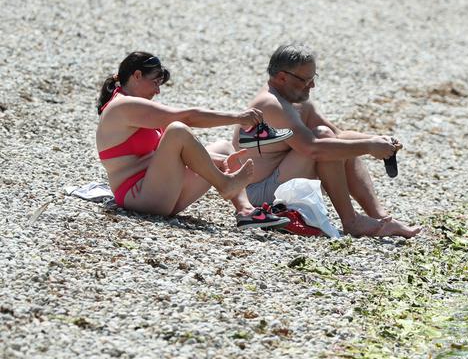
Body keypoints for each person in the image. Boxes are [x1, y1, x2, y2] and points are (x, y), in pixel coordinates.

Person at [231, 44, 421, 238]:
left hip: (280, 177)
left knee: (338, 144)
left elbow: (338, 135)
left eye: (314, 78)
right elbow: (314, 150)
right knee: (327, 142)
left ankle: (382, 219)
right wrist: (369, 147)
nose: (312, 85)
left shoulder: (295, 99)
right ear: (282, 77)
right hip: (256, 194)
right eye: (306, 80)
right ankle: (351, 221)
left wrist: (376, 140)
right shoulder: (271, 104)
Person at [96, 51, 289, 228]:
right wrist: (238, 117)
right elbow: (187, 117)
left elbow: (178, 154)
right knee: (178, 130)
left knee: (223, 147)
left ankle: (246, 211)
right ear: (136, 75)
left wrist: (220, 162)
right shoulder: (121, 106)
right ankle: (225, 184)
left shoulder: (139, 108)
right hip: (137, 197)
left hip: (161, 191)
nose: (158, 91)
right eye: (155, 82)